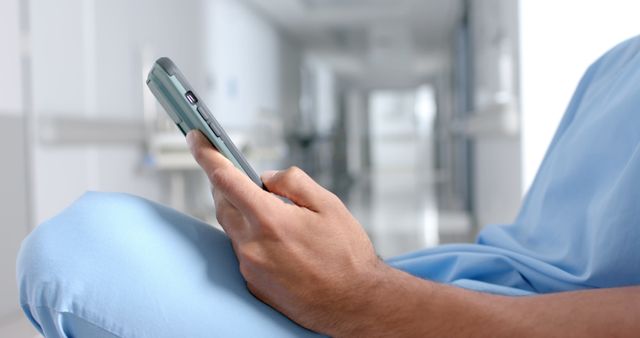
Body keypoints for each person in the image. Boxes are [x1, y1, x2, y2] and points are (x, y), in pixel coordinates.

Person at [18, 36, 640, 338]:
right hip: (446, 296)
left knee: (82, 254)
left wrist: (362, 298)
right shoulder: (618, 63)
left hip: (401, 315)